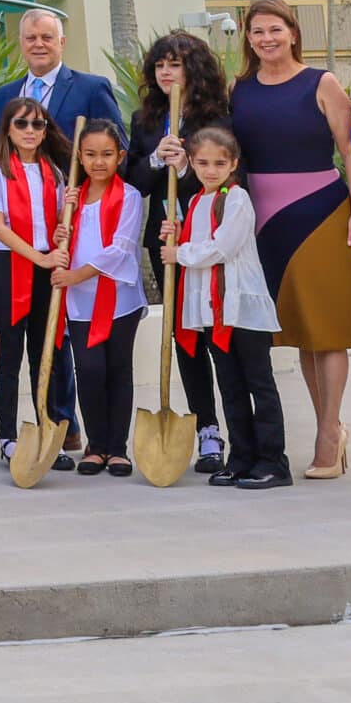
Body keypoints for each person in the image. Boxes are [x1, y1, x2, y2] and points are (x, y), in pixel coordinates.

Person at [227, 0, 351, 480]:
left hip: (322, 214)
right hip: (261, 223)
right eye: (257, 31)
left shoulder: (321, 83)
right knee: (303, 332)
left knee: (327, 329)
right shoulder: (238, 89)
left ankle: (330, 433)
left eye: (275, 30)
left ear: (293, 32)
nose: (266, 39)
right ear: (248, 38)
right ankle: (330, 424)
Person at [125, 32, 232, 472]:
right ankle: (206, 427)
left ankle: (235, 426)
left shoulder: (219, 117)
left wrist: (187, 168)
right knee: (183, 334)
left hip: (209, 238)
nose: (166, 73)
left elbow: (221, 183)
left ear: (194, 70)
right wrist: (155, 161)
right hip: (166, 238)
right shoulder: (145, 120)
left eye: (176, 64)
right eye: (160, 65)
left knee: (217, 335)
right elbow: (133, 182)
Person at [164, 125, 289, 489]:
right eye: (202, 162)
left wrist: (180, 252)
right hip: (211, 310)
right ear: (192, 162)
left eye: (220, 163)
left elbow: (222, 248)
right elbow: (198, 242)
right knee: (230, 386)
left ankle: (272, 461)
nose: (210, 169)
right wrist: (177, 233)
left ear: (233, 163)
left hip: (241, 308)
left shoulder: (236, 199)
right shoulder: (194, 202)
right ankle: (241, 458)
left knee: (258, 385)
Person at [0, 98, 72, 470]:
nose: (30, 131)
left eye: (38, 124)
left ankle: (48, 428)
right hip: (12, 266)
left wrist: (65, 223)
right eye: (22, 124)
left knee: (47, 351)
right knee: (10, 351)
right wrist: (40, 258)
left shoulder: (56, 172)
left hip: (47, 267)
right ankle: (9, 436)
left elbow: (58, 224)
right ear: (8, 129)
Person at [52, 118, 145, 477]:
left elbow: (119, 249)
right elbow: (60, 237)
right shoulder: (71, 197)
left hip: (119, 299)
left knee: (118, 370)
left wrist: (76, 274)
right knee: (89, 370)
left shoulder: (130, 197)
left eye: (107, 154)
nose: (99, 161)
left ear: (120, 156)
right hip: (79, 301)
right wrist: (64, 214)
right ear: (79, 156)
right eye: (90, 154)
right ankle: (96, 445)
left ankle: (117, 448)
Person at [0, 8, 125, 142]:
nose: (38, 44)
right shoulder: (2, 96)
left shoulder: (92, 89)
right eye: (31, 38)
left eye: (46, 38)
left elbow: (117, 147)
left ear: (62, 42)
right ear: (21, 43)